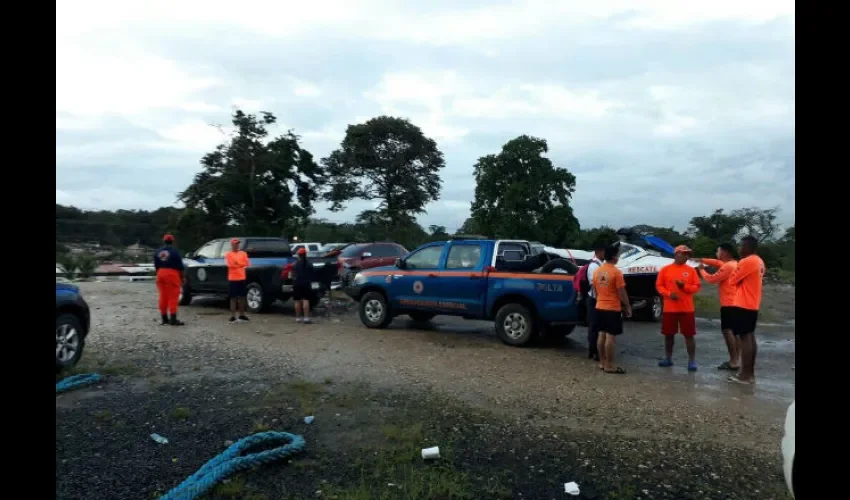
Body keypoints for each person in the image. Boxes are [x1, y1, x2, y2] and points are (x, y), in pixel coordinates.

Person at [725, 236, 765, 384]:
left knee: (744, 338)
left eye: (741, 246)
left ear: (747, 246)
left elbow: (732, 280)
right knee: (750, 337)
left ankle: (744, 375)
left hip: (743, 304)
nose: (739, 249)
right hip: (753, 303)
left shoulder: (747, 261)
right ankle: (750, 373)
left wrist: (737, 274)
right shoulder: (759, 261)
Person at [656, 245, 701, 371]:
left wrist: (684, 287)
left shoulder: (691, 270)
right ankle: (668, 358)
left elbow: (697, 287)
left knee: (689, 335)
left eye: (688, 254)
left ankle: (692, 361)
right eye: (684, 254)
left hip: (687, 309)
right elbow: (659, 286)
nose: (687, 256)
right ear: (676, 254)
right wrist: (669, 294)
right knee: (668, 335)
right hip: (670, 309)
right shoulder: (665, 270)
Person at [697, 243, 740, 371]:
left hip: (729, 303)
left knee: (728, 331)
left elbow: (711, 279)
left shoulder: (728, 267)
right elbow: (717, 262)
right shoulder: (733, 264)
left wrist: (701, 269)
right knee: (735, 332)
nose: (717, 253)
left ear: (724, 252)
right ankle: (737, 359)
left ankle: (733, 361)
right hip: (736, 302)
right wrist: (702, 260)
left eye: (718, 250)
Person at [593, 245, 631, 374]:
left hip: (599, 306)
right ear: (614, 257)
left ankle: (602, 362)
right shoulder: (616, 272)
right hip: (612, 308)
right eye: (618, 255)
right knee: (610, 337)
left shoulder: (597, 271)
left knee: (601, 335)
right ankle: (609, 365)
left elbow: (596, 290)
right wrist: (627, 306)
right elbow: (621, 292)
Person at [153, 234, 185, 326]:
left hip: (160, 273)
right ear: (172, 241)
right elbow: (180, 266)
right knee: (173, 296)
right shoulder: (175, 251)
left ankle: (164, 319)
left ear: (164, 241)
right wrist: (182, 277)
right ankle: (173, 319)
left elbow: (156, 266)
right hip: (172, 273)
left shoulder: (157, 251)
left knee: (163, 296)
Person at [585, 240, 607, 361]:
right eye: (604, 251)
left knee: (596, 326)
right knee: (594, 326)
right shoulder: (594, 266)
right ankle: (593, 351)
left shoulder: (600, 264)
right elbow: (595, 284)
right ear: (598, 252)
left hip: (598, 299)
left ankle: (594, 350)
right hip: (594, 299)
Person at [224, 238, 251, 324]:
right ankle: (232, 316)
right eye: (235, 244)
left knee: (242, 297)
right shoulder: (228, 254)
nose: (236, 245)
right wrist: (240, 264)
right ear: (232, 245)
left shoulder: (243, 253)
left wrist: (237, 264)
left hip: (242, 278)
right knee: (233, 298)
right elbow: (230, 264)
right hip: (233, 278)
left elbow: (247, 264)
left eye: (238, 244)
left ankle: (242, 315)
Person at [292, 247, 315, 324]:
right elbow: (313, 273)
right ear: (306, 254)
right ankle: (306, 318)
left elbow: (293, 274)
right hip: (306, 284)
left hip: (297, 284)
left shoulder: (295, 264)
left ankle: (298, 318)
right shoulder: (309, 263)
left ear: (298, 255)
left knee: (297, 301)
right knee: (306, 300)